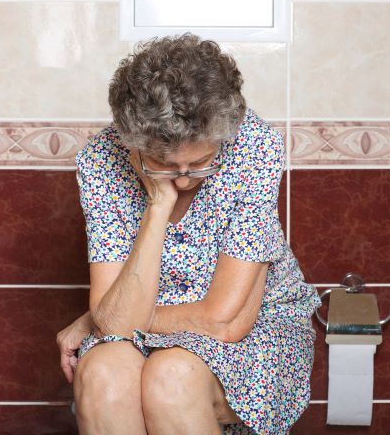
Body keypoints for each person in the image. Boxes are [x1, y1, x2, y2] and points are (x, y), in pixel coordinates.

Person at [56, 33, 321, 435]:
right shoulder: (102, 160)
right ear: (133, 144)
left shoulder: (254, 145)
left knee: (172, 378)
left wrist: (100, 317)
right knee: (103, 375)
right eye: (164, 164)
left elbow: (223, 322)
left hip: (256, 327)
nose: (182, 181)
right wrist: (157, 205)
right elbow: (114, 327)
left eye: (199, 164)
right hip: (158, 315)